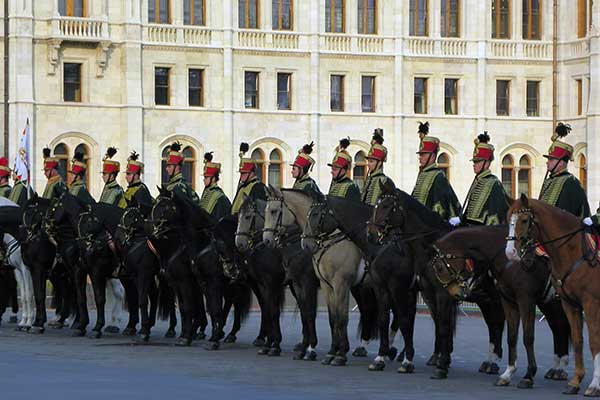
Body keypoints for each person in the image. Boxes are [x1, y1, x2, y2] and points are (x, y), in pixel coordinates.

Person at [457, 132, 510, 226]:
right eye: (474, 161)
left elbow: (496, 215)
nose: (474, 164)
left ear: (487, 163)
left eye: (478, 162)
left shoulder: (493, 183)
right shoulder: (478, 180)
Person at [411, 122, 461, 221]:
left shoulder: (438, 176)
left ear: (432, 156)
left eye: (423, 155)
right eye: (420, 155)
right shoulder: (423, 174)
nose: (420, 158)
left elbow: (440, 206)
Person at [539, 123, 590, 218]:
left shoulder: (571, 182)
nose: (547, 162)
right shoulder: (549, 181)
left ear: (561, 163)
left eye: (551, 160)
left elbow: (568, 214)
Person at [230, 142, 268, 216]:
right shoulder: (243, 187)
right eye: (241, 173)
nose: (241, 177)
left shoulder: (259, 187)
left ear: (252, 173)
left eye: (244, 173)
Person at [361, 129, 393, 206]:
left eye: (371, 161)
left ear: (379, 163)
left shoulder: (386, 182)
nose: (368, 164)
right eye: (368, 161)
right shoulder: (369, 179)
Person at [117, 151, 154, 216]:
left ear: (136, 175)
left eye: (129, 174)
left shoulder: (141, 189)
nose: (126, 177)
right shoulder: (131, 188)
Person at [199, 152, 231, 221]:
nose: (204, 180)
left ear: (213, 179)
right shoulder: (207, 192)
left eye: (206, 177)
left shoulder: (219, 196)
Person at [327, 137, 360, 203]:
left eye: (335, 169)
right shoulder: (334, 184)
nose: (331, 172)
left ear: (343, 170)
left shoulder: (351, 187)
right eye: (332, 169)